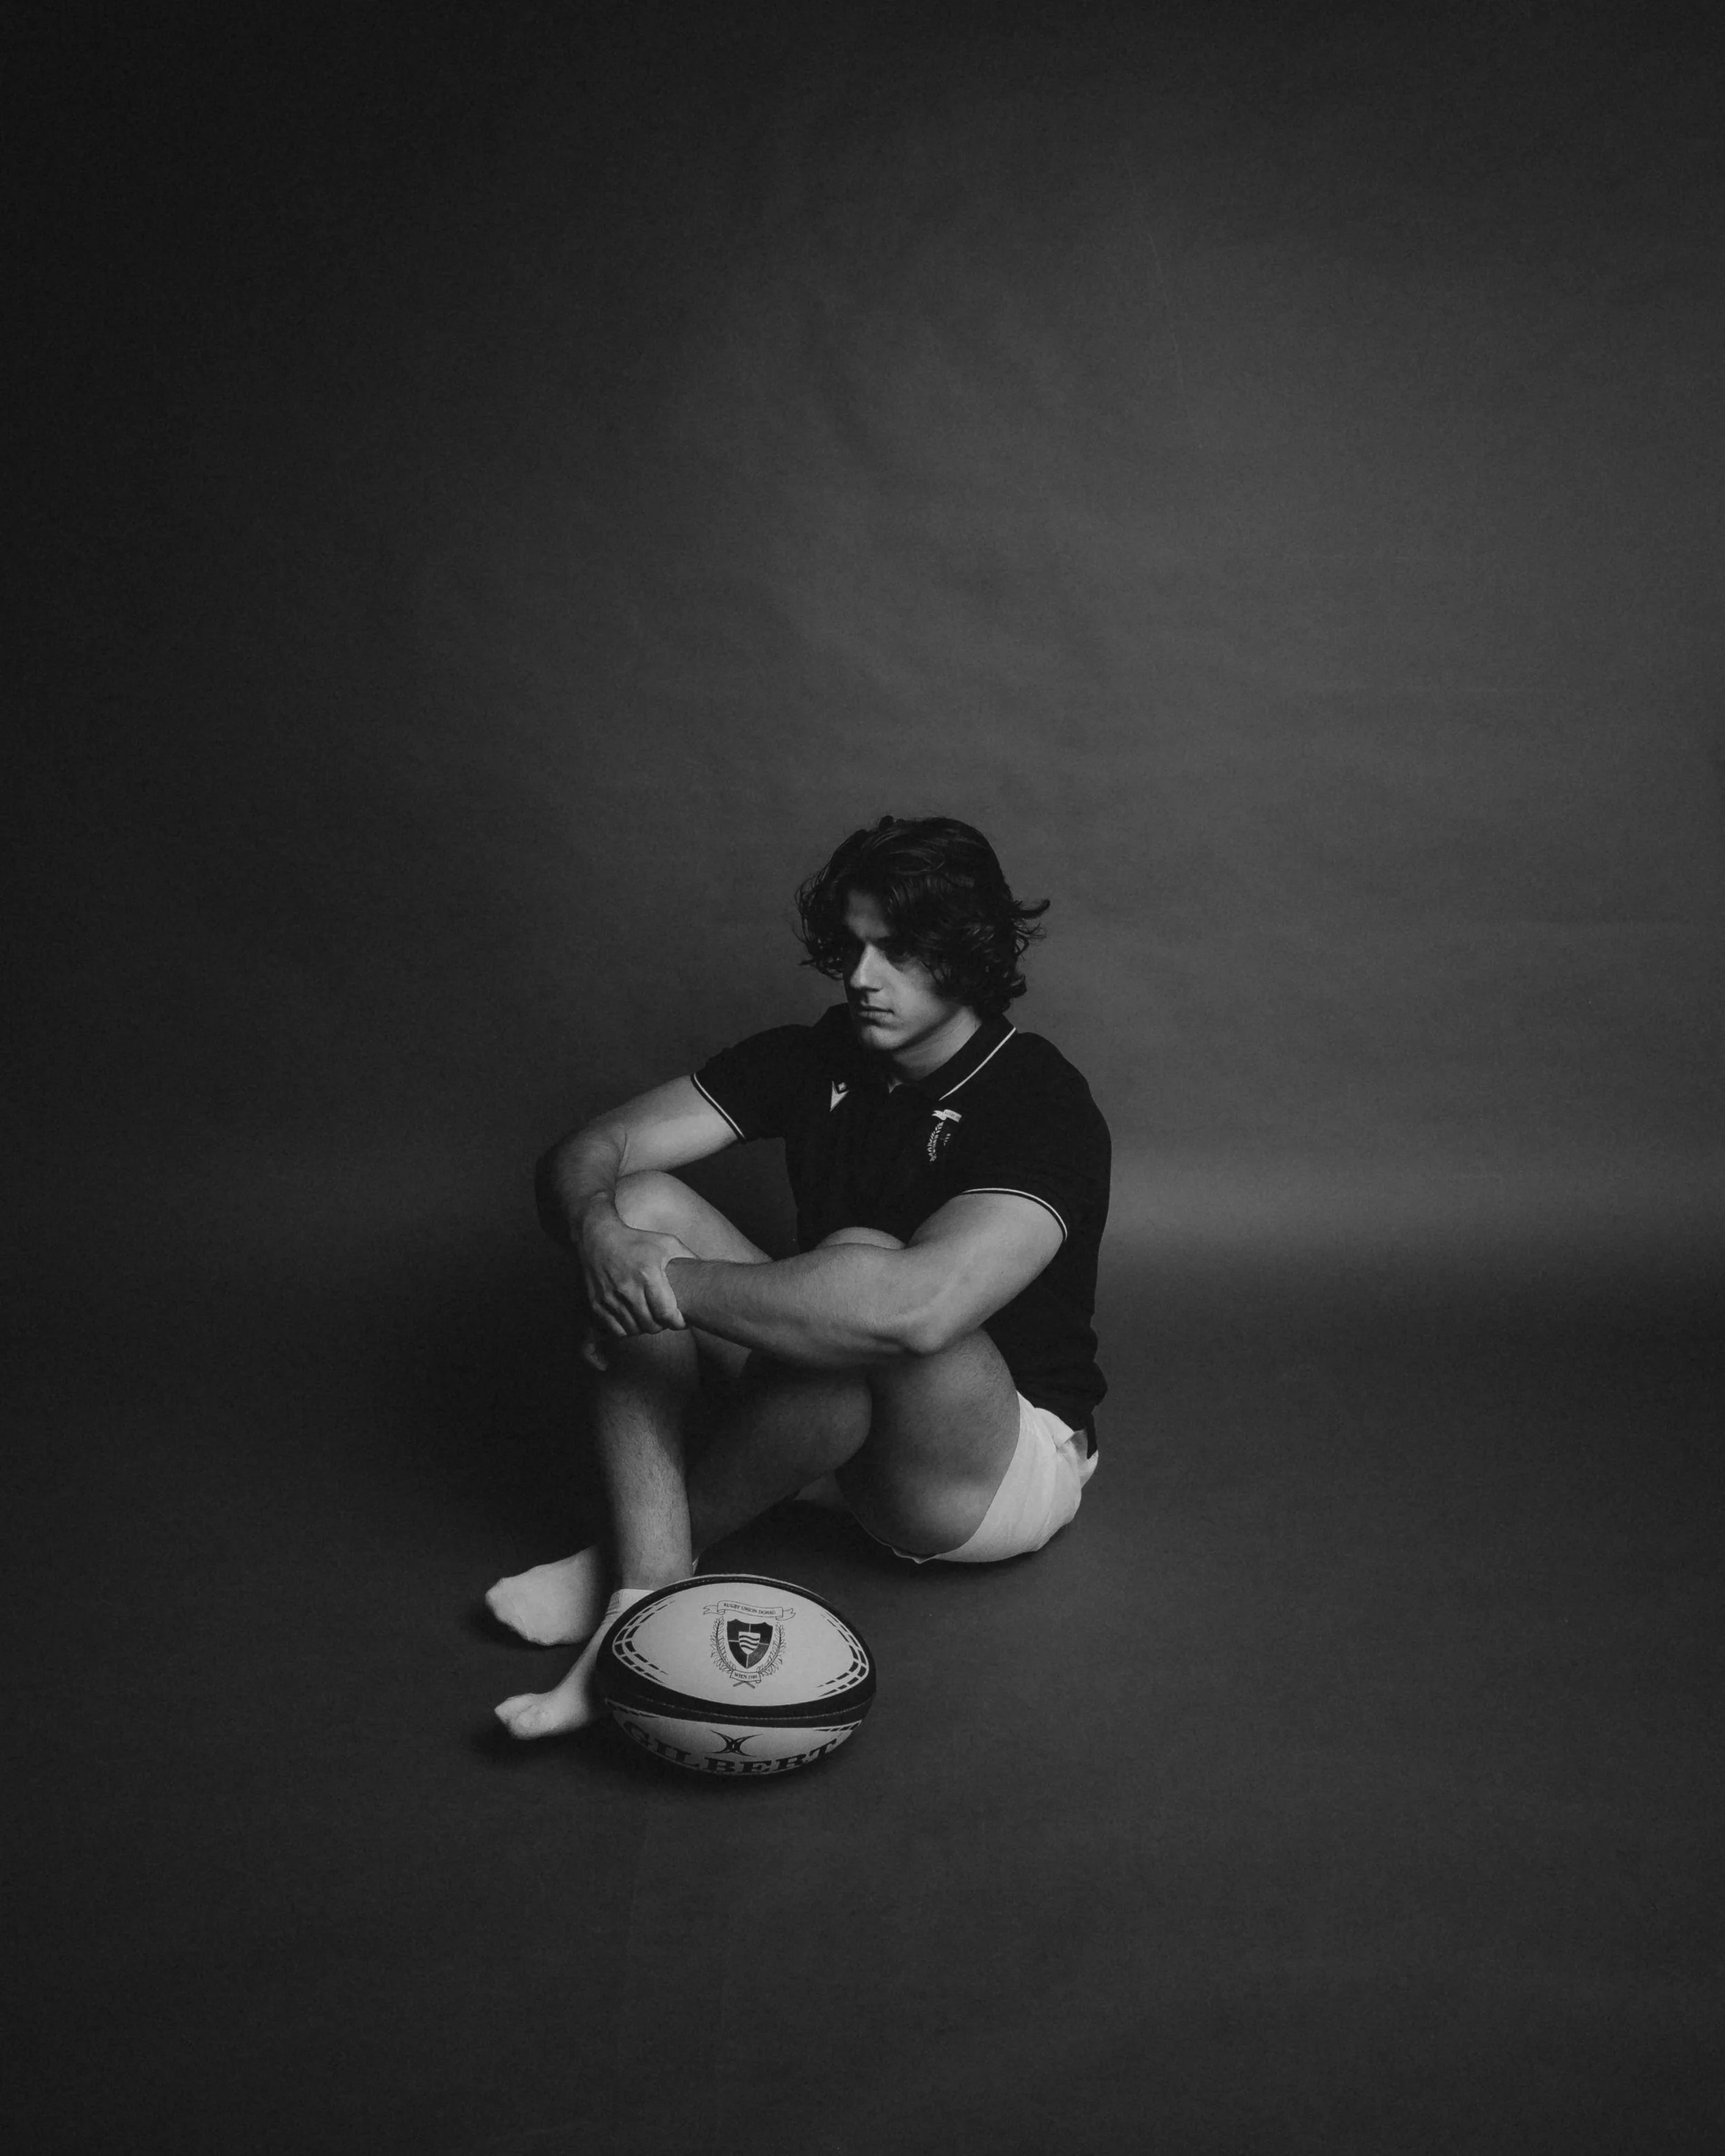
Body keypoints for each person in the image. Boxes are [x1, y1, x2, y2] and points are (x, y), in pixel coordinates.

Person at [490, 815, 1111, 1737]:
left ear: (971, 954)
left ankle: (640, 1562)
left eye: (897, 954)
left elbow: (918, 1312)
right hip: (830, 1413)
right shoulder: (812, 1057)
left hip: (989, 1471)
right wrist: (602, 1239)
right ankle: (642, 1605)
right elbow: (594, 1149)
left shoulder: (1041, 1101)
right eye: (853, 950)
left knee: (863, 1270)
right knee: (642, 1206)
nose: (863, 980)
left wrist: (656, 1290)